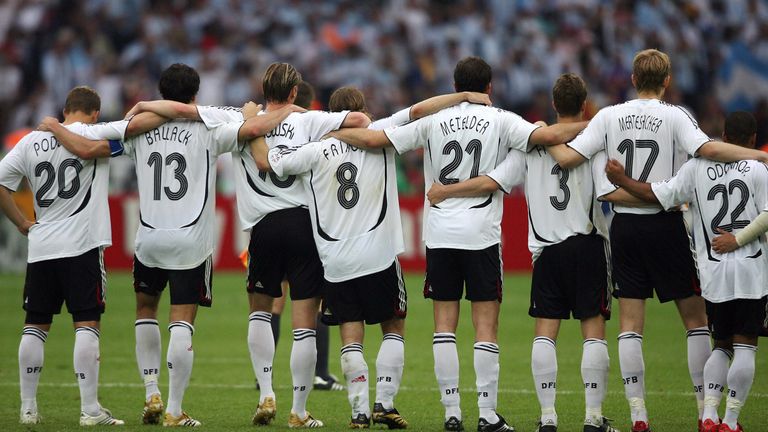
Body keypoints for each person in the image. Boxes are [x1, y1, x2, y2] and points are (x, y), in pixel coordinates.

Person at [329, 56, 587, 432]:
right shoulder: (501, 119)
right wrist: (602, 122)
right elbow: (548, 138)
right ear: (490, 87)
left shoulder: (434, 121)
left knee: (443, 328)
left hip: (440, 234)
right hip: (481, 234)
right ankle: (487, 415)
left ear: (455, 85)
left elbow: (374, 139)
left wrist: (328, 132)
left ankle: (452, 414)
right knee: (486, 328)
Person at [41, 64, 305, 427]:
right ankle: (175, 409)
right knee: (182, 319)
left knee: (145, 309)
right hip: (190, 240)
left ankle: (152, 391)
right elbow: (256, 128)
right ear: (196, 95)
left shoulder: (137, 129)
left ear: (162, 92)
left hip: (148, 237)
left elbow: (88, 146)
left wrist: (55, 126)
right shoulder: (211, 127)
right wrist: (284, 110)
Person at [539, 49, 768, 432]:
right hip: (665, 223)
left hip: (625, 228)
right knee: (695, 320)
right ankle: (703, 410)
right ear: (667, 81)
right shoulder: (676, 115)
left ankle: (638, 415)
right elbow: (707, 150)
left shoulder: (608, 116)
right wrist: (756, 156)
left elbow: (567, 159)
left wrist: (542, 135)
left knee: (630, 323)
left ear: (632, 79)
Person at [132, 62, 369, 427]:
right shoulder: (310, 120)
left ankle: (265, 393)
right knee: (304, 321)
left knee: (260, 310)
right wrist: (309, 119)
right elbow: (358, 122)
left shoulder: (238, 117)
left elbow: (181, 109)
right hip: (305, 225)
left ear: (263, 88)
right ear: (293, 92)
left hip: (262, 228)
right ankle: (299, 411)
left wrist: (143, 106)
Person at [254, 85, 492, 429]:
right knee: (393, 326)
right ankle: (385, 402)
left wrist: (251, 124)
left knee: (350, 335)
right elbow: (417, 110)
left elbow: (268, 162)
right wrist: (462, 97)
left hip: (335, 260)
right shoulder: (379, 135)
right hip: (379, 255)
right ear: (361, 110)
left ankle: (359, 412)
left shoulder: (313, 150)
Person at [426, 74, 618, 432]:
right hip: (587, 242)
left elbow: (495, 181)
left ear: (554, 103)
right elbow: (607, 191)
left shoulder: (529, 144)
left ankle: (547, 418)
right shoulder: (596, 142)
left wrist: (446, 190)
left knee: (545, 332)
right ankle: (593, 418)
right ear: (584, 104)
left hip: (546, 249)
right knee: (593, 330)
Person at [0, 86, 165, 426]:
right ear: (93, 112)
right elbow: (140, 124)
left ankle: (28, 408)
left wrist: (21, 223)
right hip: (82, 246)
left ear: (65, 109)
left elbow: (1, 183)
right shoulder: (93, 132)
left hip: (42, 245)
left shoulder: (31, 141)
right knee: (86, 324)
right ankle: (90, 409)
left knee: (35, 325)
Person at [603, 111, 768, 432]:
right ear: (751, 140)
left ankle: (708, 415)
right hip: (751, 270)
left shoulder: (696, 168)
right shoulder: (760, 170)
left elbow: (656, 194)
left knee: (721, 344)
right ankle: (731, 421)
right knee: (745, 344)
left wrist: (622, 180)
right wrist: (739, 239)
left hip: (714, 274)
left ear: (722, 134)